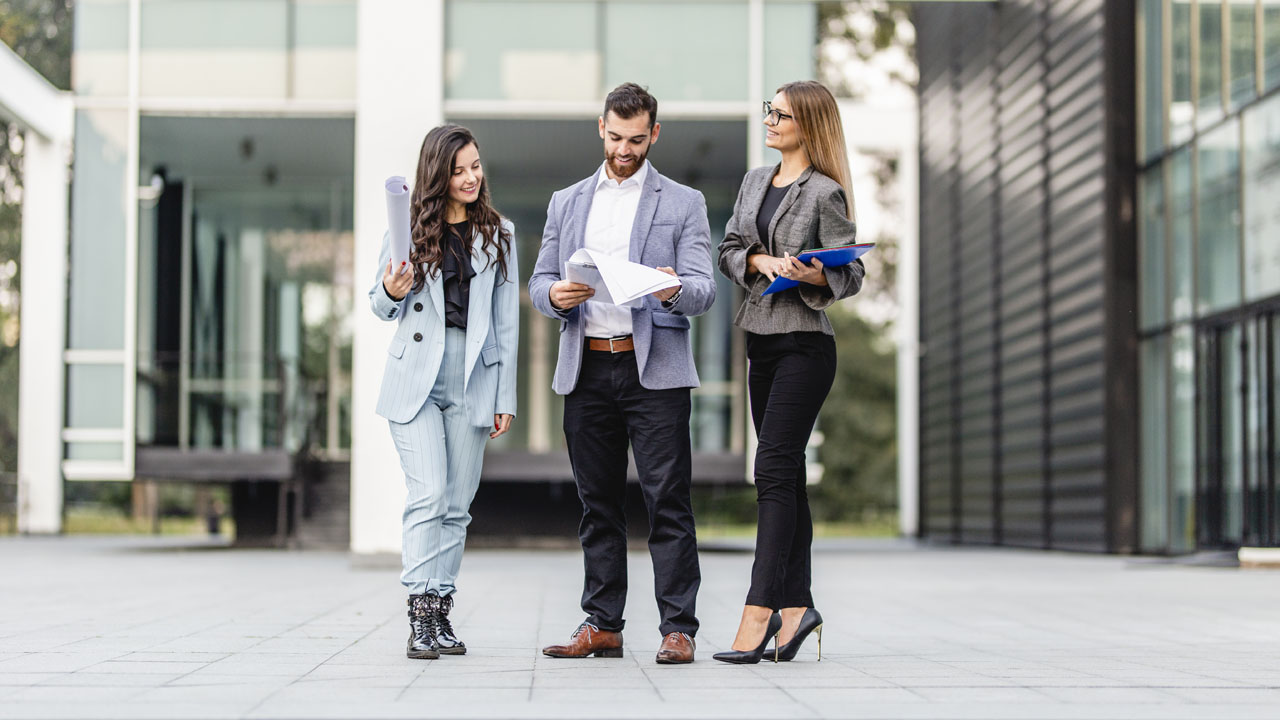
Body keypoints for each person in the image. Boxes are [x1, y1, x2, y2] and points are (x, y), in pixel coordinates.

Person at [529, 83, 716, 665]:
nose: (624, 149)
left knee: (667, 499)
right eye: (615, 137)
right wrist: (557, 295)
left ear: (654, 134)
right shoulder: (567, 201)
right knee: (597, 502)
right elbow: (537, 283)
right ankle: (603, 622)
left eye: (637, 140)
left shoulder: (683, 202)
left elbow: (704, 291)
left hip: (654, 372)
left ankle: (678, 628)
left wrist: (671, 287)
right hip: (586, 366)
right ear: (601, 128)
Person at [713, 81, 864, 664]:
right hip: (761, 341)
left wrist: (812, 275)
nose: (770, 120)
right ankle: (798, 608)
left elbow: (850, 273)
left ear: (808, 125)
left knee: (771, 469)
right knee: (788, 477)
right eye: (768, 110)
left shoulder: (826, 193)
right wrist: (758, 259)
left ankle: (759, 609)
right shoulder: (755, 181)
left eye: (781, 114)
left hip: (805, 344)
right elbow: (727, 246)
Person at [370, 124, 518, 660]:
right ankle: (418, 613)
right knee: (429, 492)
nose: (471, 177)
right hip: (416, 376)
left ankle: (441, 609)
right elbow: (378, 304)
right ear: (437, 174)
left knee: (457, 505)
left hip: (473, 374)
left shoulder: (500, 235)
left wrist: (505, 396)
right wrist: (392, 289)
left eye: (475, 166)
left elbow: (506, 325)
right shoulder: (408, 227)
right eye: (458, 170)